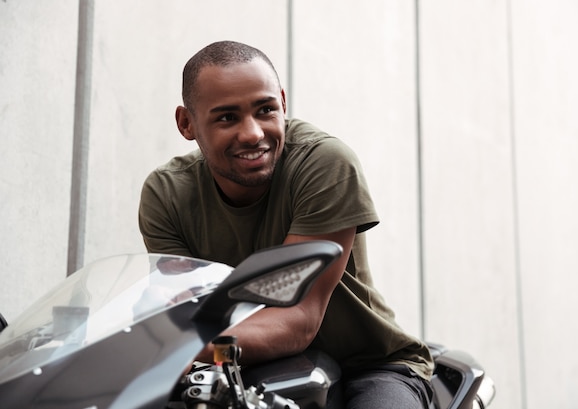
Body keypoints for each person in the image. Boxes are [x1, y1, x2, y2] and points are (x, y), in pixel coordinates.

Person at [138, 40, 434, 408]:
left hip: (369, 365)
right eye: (227, 117)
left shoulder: (324, 164)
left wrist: (181, 348)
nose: (252, 133)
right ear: (187, 123)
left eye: (265, 110)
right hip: (239, 370)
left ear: (283, 102)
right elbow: (184, 311)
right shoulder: (167, 194)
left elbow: (298, 319)